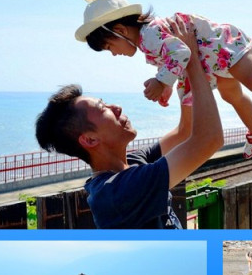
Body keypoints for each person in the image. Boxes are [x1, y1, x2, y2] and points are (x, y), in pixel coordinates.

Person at [77, 0, 252, 159]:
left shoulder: (149, 36)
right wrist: (167, 84)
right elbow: (174, 56)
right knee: (232, 95)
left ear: (120, 30)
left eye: (110, 47)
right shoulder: (147, 40)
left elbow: (181, 51)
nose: (114, 54)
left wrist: (162, 80)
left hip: (221, 46)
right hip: (211, 60)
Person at [35, 15, 224, 229]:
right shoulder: (117, 191)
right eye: (103, 108)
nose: (116, 107)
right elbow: (209, 139)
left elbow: (185, 131)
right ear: (89, 139)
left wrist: (176, 74)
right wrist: (192, 61)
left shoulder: (132, 162)